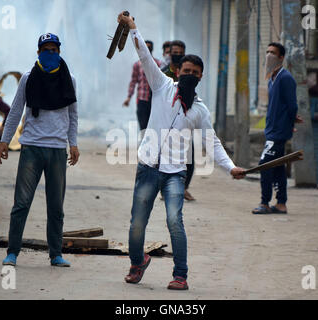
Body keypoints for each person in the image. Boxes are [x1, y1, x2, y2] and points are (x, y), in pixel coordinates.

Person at [118, 12, 246, 290]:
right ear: (178, 72)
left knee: (175, 220)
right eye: (186, 71)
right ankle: (137, 262)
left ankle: (181, 275)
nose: (189, 76)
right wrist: (132, 29)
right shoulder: (161, 85)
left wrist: (231, 167)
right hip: (148, 167)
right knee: (137, 222)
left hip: (175, 172)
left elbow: (212, 143)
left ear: (200, 77)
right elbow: (145, 58)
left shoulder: (200, 111)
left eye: (195, 74)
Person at [0, 33, 80, 267]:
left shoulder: (69, 79)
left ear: (60, 52)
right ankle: (12, 252)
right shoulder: (28, 78)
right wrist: (5, 140)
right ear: (38, 53)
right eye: (46, 50)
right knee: (21, 203)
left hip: (57, 150)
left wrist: (72, 143)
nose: (50, 54)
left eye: (54, 50)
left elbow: (73, 115)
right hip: (31, 148)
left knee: (56, 207)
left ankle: (56, 254)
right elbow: (15, 111)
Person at [252, 42, 302, 215]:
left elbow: (292, 105)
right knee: (278, 166)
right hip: (272, 130)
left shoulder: (285, 78)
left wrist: (290, 123)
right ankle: (281, 204)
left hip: (278, 132)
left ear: (281, 57)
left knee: (264, 165)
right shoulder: (272, 78)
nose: (268, 55)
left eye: (273, 52)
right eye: (267, 52)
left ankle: (265, 202)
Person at [161, 40, 195, 201]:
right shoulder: (163, 72)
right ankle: (166, 188)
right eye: (175, 52)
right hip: (166, 122)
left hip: (184, 121)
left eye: (181, 52)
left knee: (190, 157)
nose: (177, 54)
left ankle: (184, 187)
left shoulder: (189, 72)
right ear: (169, 53)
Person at [123, 40, 161, 131]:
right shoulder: (137, 65)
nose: (147, 49)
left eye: (149, 48)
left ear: (152, 49)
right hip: (142, 98)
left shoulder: (158, 64)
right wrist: (129, 97)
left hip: (155, 99)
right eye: (145, 47)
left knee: (153, 124)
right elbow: (133, 81)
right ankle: (145, 143)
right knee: (143, 124)